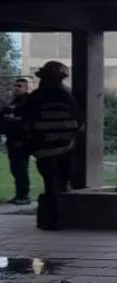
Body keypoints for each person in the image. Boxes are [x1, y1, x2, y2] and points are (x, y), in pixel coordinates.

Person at [20, 61, 83, 231]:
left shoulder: (34, 98)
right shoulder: (67, 97)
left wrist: (30, 145)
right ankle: (58, 218)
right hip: (65, 148)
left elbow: (26, 125)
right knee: (61, 183)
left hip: (43, 150)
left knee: (50, 183)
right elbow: (79, 124)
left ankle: (50, 219)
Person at [1, 78, 31, 205]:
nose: (16, 88)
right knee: (16, 168)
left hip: (22, 140)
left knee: (21, 168)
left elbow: (26, 120)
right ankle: (19, 194)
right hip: (12, 139)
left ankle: (24, 196)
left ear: (26, 88)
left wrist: (11, 120)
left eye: (19, 86)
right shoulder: (14, 102)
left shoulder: (28, 102)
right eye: (15, 86)